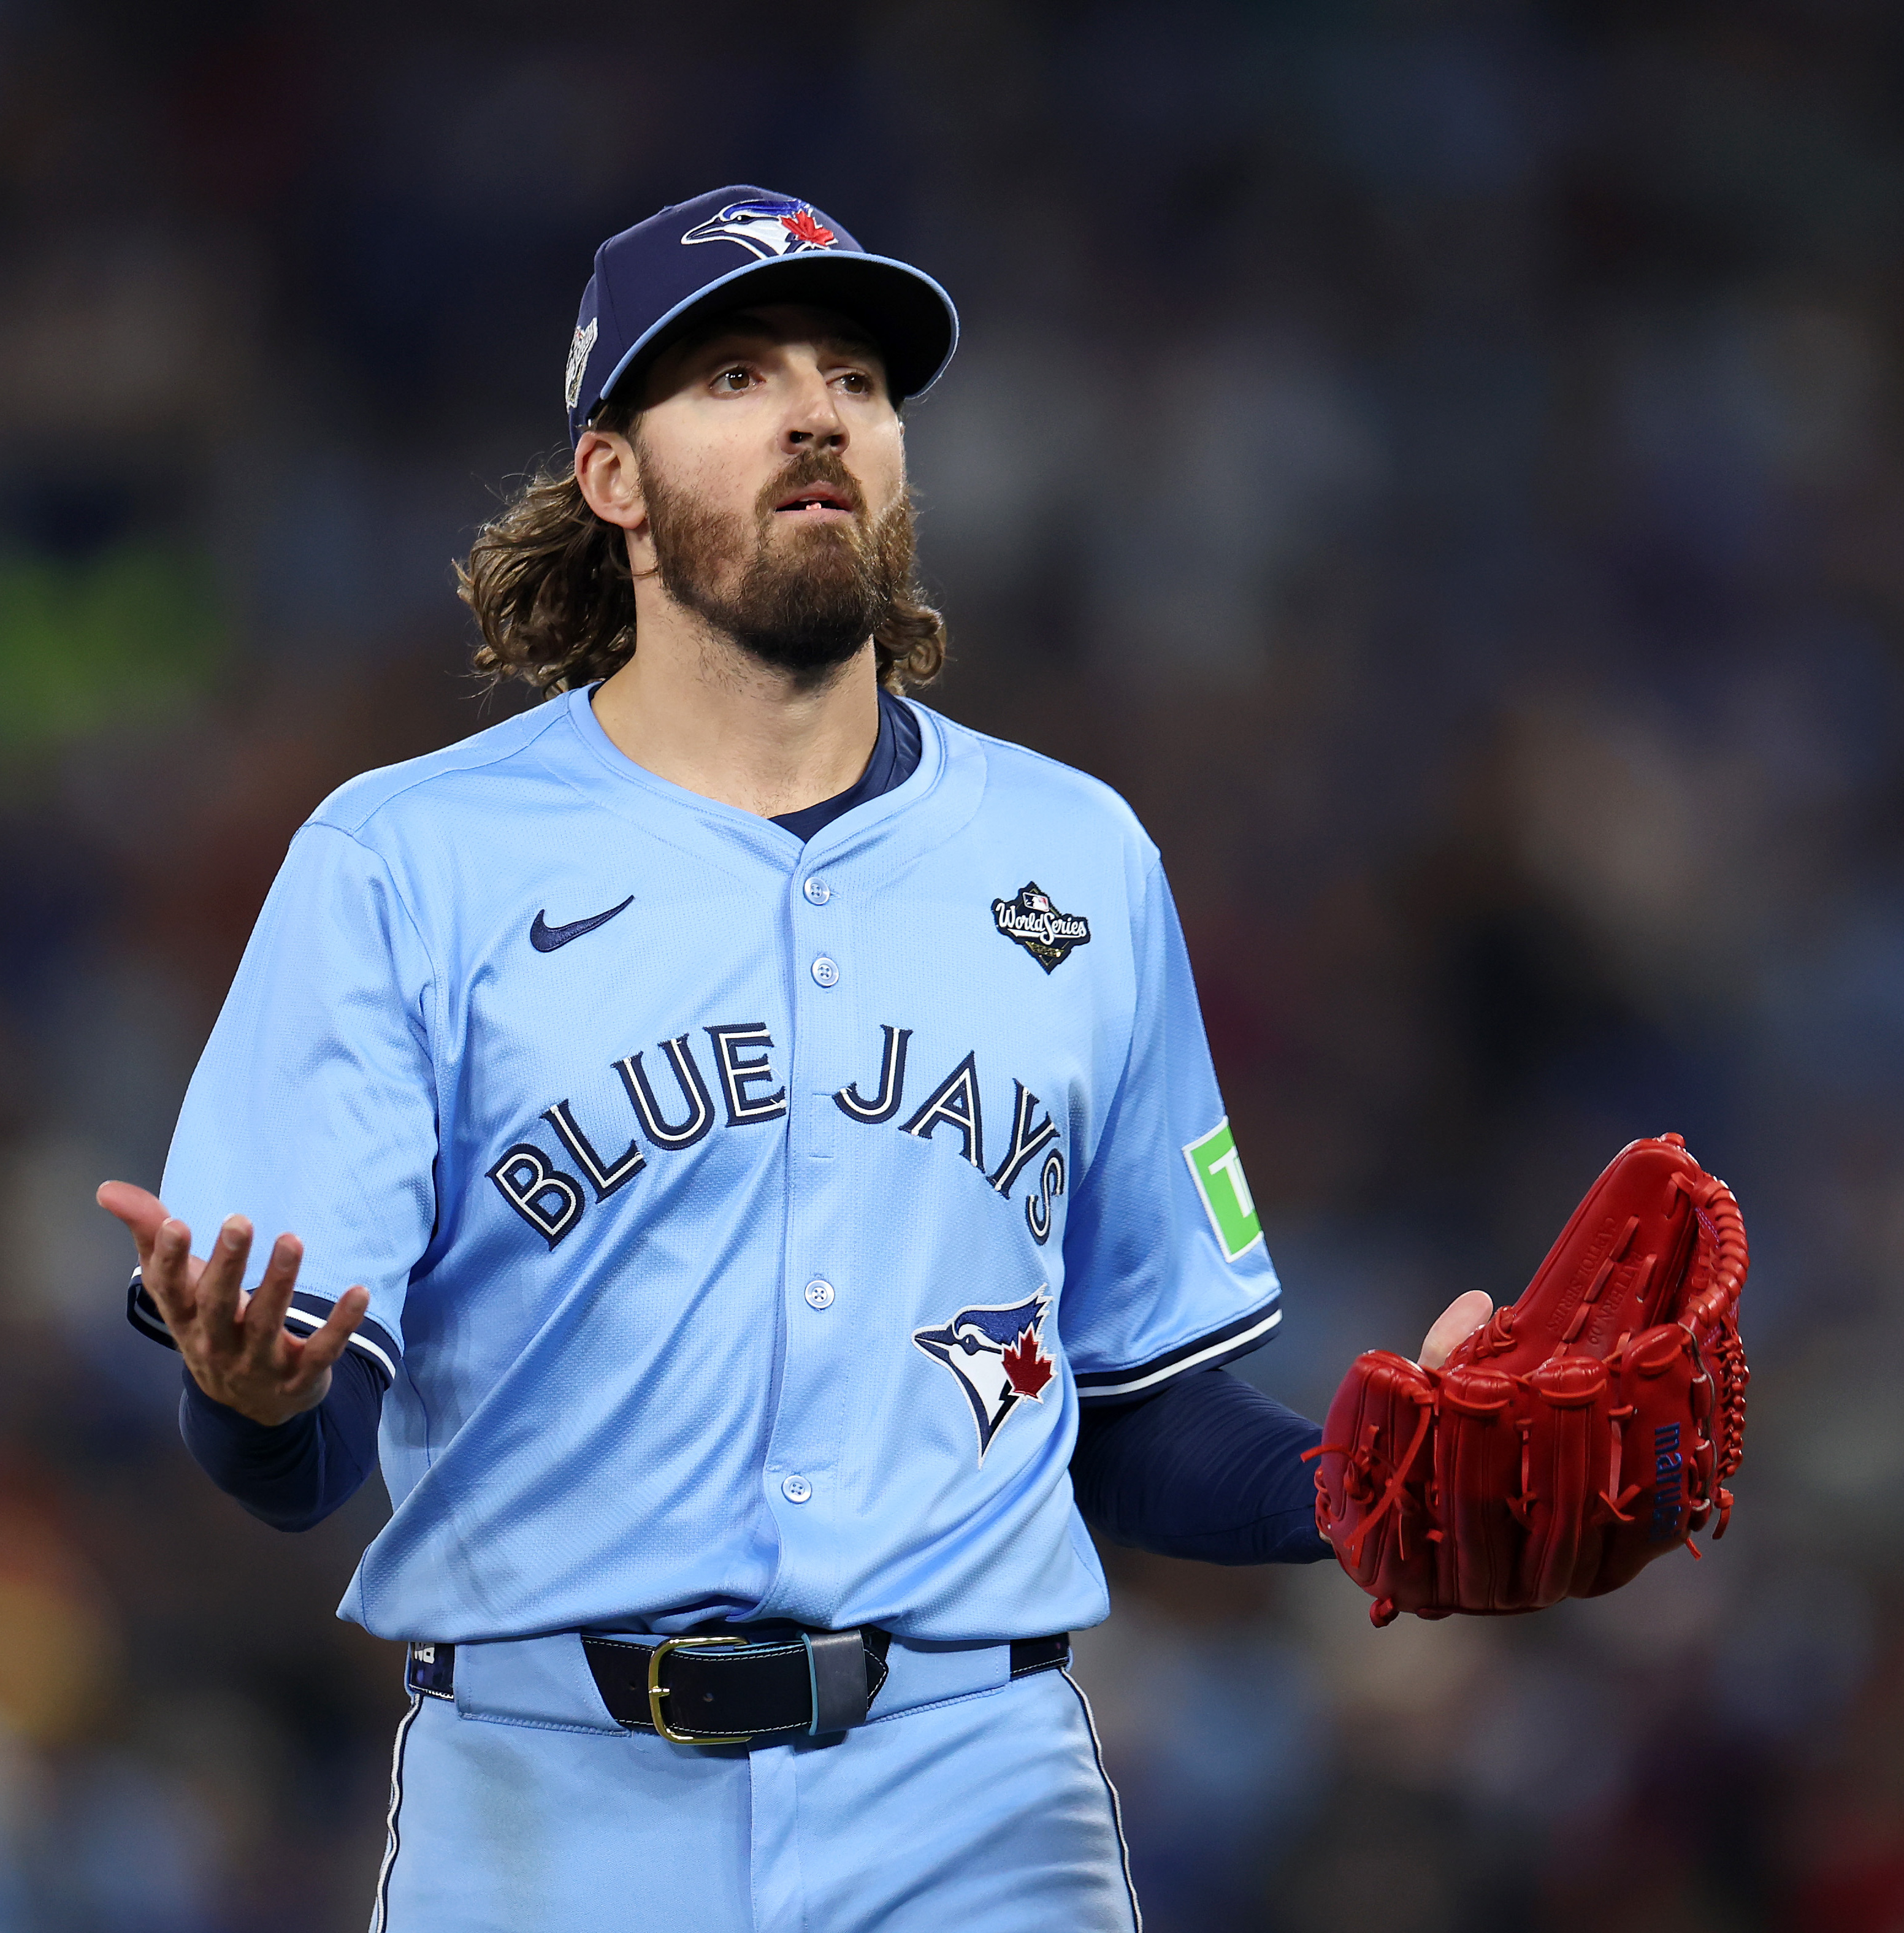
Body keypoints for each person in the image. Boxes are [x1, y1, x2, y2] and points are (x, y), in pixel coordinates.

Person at [99, 185, 1489, 1932]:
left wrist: (1380, 1483)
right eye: (739, 375)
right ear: (613, 476)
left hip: (977, 1799)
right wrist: (249, 1403)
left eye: (857, 379)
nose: (819, 411)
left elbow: (1134, 1416)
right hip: (548, 1804)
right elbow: (301, 1462)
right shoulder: (407, 862)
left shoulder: (1074, 856)